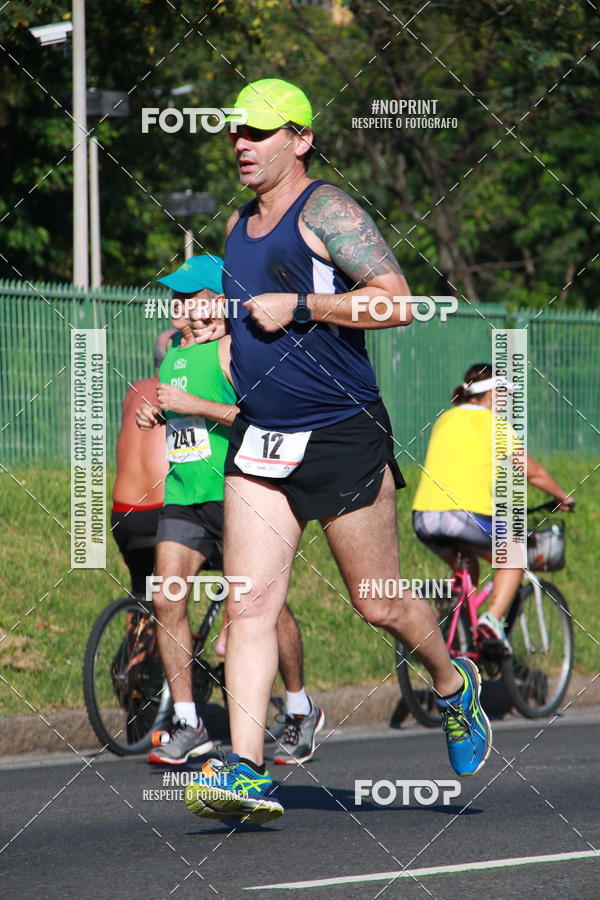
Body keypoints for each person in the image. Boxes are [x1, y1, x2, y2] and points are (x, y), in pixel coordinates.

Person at [185, 79, 491, 825]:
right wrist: (231, 345)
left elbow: (397, 300)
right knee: (250, 604)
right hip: (262, 436)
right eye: (236, 133)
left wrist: (304, 306)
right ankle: (249, 771)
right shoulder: (235, 224)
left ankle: (453, 688)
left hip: (341, 433)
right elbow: (246, 311)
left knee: (376, 601)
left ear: (301, 138)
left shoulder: (327, 210)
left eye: (258, 133)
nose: (242, 145)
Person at [136, 254, 322, 765]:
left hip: (239, 495)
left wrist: (192, 406)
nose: (176, 307)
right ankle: (190, 721)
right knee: (168, 599)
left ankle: (301, 708)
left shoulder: (234, 350)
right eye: (175, 299)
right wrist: (157, 412)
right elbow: (175, 407)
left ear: (217, 300)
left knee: (263, 608)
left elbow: (254, 416)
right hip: (185, 497)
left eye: (186, 298)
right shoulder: (172, 350)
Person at [412, 362, 575, 645]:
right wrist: (562, 496)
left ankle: (459, 632)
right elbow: (531, 471)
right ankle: (490, 623)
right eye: (504, 395)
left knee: (469, 569)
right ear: (491, 393)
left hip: (424, 518)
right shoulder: (494, 425)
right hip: (463, 516)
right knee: (514, 554)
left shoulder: (444, 420)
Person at [111, 330, 173, 596]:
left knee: (142, 594)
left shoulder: (134, 390)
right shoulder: (179, 392)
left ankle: (137, 633)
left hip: (124, 516)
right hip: (163, 513)